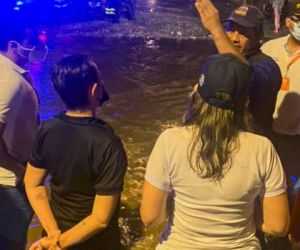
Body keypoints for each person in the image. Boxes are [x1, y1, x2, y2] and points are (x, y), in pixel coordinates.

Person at [140, 52, 289, 249]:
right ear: (245, 102)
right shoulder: (262, 148)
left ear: (197, 93)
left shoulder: (170, 141)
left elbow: (151, 218)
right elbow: (277, 227)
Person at [24, 54, 127, 250]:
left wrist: (52, 234)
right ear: (95, 90)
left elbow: (33, 184)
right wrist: (58, 244)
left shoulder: (47, 129)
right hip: (94, 242)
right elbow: (100, 219)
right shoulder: (108, 143)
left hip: (55, 234)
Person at [197, 2, 282, 136]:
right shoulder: (220, 61)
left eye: (244, 33)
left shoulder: (268, 68)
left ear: (259, 36)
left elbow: (245, 73)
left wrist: (216, 31)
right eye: (230, 29)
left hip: (253, 145)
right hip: (224, 139)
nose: (235, 38)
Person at [0, 21, 40, 249]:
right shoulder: (8, 81)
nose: (35, 46)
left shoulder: (10, 73)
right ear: (12, 45)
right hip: (9, 183)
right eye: (30, 41)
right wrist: (21, 170)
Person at [261, 0, 300, 180]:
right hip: (266, 131)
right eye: (298, 19)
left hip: (296, 138)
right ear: (287, 22)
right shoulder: (269, 48)